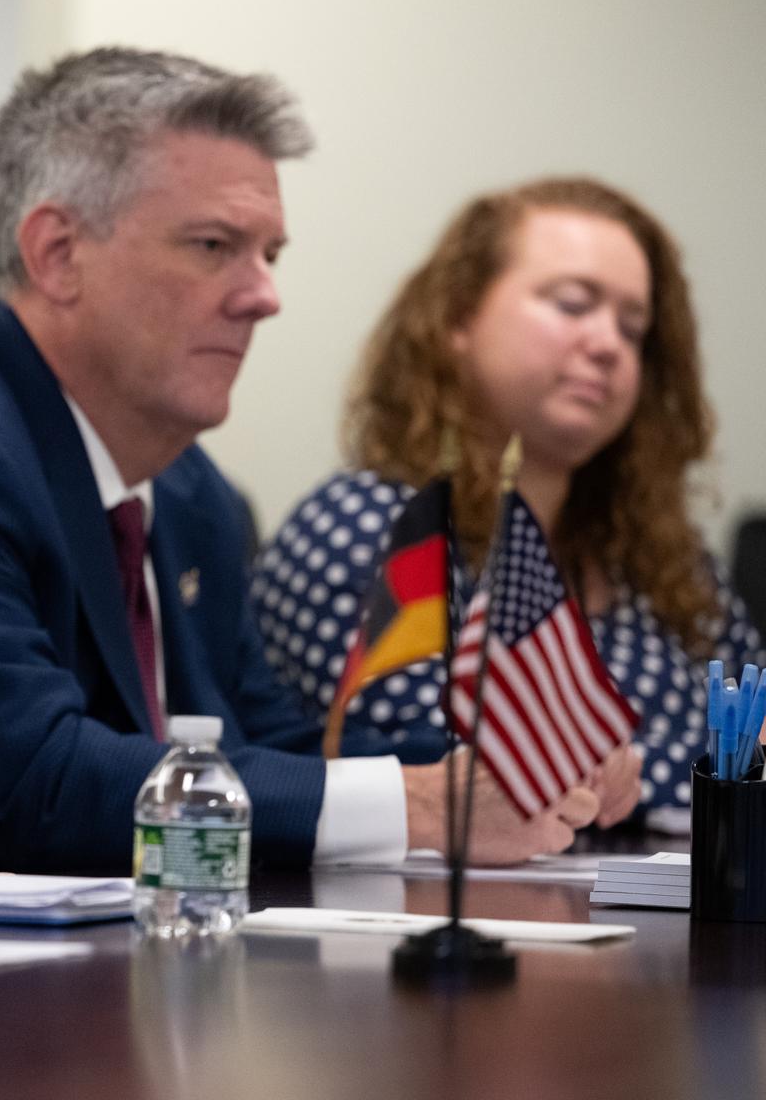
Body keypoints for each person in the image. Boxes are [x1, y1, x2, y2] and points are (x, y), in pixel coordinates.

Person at [0, 48, 626, 874]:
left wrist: (503, 767)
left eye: (269, 253)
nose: (264, 296)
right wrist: (428, 807)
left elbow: (274, 739)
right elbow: (40, 783)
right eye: (215, 246)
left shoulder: (187, 488)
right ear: (58, 253)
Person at [255, 176, 754, 821]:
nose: (606, 345)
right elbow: (447, 770)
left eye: (634, 329)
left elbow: (753, 733)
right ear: (459, 318)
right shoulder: (366, 523)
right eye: (573, 305)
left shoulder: (666, 561)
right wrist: (702, 771)